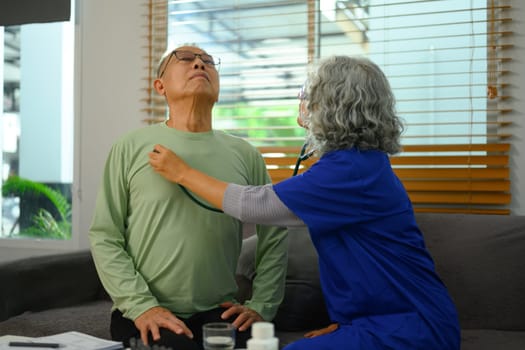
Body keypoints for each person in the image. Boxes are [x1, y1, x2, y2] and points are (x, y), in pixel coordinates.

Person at [148, 55, 461, 350]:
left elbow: (252, 206)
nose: (300, 98)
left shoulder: (350, 170)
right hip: (388, 321)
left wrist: (183, 172)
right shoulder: (359, 165)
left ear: (332, 104)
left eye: (306, 91)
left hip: (415, 327)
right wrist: (350, 327)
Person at [88, 44, 288, 350]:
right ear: (160, 86)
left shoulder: (245, 154)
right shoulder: (130, 146)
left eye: (208, 61)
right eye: (185, 59)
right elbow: (105, 235)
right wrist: (142, 307)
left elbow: (274, 234)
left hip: (221, 310)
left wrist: (262, 305)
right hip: (148, 311)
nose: (199, 64)